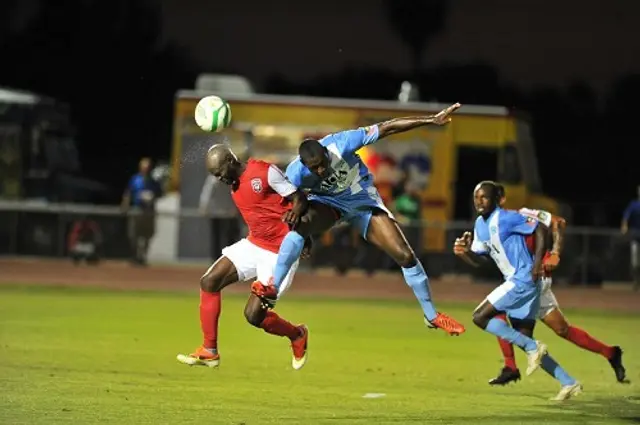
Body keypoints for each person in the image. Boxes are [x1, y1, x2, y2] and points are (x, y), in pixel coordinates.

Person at [251, 103, 466, 335]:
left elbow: (387, 128)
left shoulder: (341, 143)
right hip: (329, 206)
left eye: (324, 163)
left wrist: (431, 120)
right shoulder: (295, 173)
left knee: (405, 255)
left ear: (325, 152)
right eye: (315, 169)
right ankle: (272, 286)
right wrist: (304, 232)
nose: (322, 170)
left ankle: (431, 315)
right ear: (304, 166)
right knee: (298, 224)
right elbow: (286, 203)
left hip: (364, 204)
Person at [176, 145, 311, 370]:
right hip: (254, 244)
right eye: (215, 176)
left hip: (280, 254)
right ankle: (209, 351)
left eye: (220, 172)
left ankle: (297, 334)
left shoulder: (264, 171)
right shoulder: (235, 184)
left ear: (230, 160)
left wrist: (302, 232)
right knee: (209, 281)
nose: (220, 178)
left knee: (253, 315)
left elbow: (299, 199)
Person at [454, 181, 582, 401]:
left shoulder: (506, 217)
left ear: (495, 199)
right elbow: (481, 262)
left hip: (523, 279)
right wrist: (464, 252)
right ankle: (568, 382)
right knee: (522, 338)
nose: (479, 201)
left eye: (484, 197)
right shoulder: (480, 225)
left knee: (479, 316)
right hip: (518, 281)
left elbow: (540, 228)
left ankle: (533, 347)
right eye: (476, 197)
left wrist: (536, 265)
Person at [488, 184, 626, 385]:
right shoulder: (488, 227)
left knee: (495, 313)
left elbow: (558, 222)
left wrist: (554, 253)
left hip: (532, 280)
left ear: (500, 200)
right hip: (523, 282)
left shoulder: (524, 214)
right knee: (562, 329)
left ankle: (511, 366)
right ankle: (611, 353)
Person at [121, 157, 163, 266]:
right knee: (134, 234)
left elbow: (160, 193)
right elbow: (128, 193)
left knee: (147, 235)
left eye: (148, 167)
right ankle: (135, 255)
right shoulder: (135, 179)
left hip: (149, 211)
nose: (146, 169)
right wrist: (125, 205)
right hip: (137, 210)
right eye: (144, 167)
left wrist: (152, 197)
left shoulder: (154, 182)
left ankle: (142, 256)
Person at [621, 185, 640, 291]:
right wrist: (624, 225)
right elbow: (626, 215)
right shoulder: (634, 204)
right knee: (634, 262)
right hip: (636, 236)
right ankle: (636, 281)